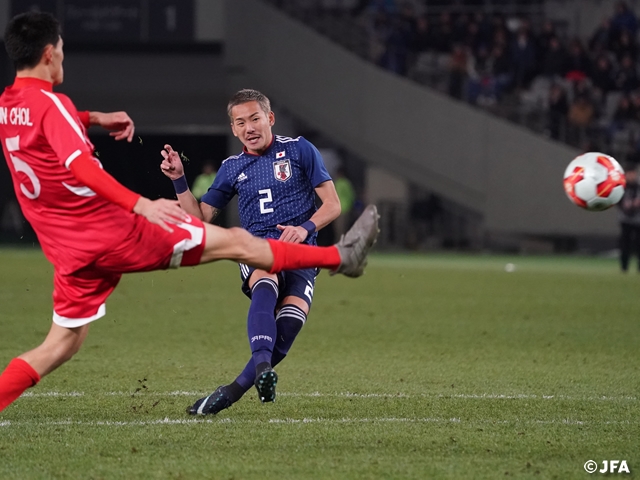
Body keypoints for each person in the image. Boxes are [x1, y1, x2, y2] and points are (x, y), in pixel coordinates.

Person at [0, 12, 379, 414]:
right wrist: (143, 204)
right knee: (239, 243)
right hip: (111, 232)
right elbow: (81, 168)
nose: (63, 57)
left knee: (61, 344)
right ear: (47, 53)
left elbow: (45, 125)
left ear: (268, 119)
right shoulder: (53, 105)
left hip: (65, 248)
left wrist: (92, 118)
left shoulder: (9, 106)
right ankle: (340, 257)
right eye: (60, 50)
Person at [160, 89, 342, 415]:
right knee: (266, 281)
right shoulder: (232, 168)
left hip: (302, 253)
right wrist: (179, 180)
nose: (250, 128)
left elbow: (333, 205)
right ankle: (261, 371)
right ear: (233, 128)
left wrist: (305, 229)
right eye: (241, 122)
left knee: (291, 322)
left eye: (255, 118)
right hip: (257, 248)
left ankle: (234, 389)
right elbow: (200, 219)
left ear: (269, 118)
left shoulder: (300, 150)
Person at [618, 165, 640, 272]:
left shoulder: (638, 188)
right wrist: (623, 205)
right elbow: (617, 201)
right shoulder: (621, 188)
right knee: (625, 243)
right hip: (625, 219)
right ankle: (624, 267)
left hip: (638, 220)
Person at [333, 166, 356, 238]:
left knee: (338, 229)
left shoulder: (337, 183)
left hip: (338, 209)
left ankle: (340, 245)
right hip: (346, 208)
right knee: (343, 228)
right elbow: (352, 196)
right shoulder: (347, 183)